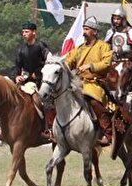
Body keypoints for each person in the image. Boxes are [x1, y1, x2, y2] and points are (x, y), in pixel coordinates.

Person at [63, 16, 113, 145]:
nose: (84, 32)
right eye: (84, 29)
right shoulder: (79, 49)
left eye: (87, 29)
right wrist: (62, 66)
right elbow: (69, 60)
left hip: (95, 83)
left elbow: (107, 63)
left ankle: (107, 133)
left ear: (95, 32)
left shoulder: (103, 46)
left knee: (94, 102)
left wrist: (91, 66)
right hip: (78, 83)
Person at [12, 21, 52, 137]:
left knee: (42, 102)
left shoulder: (41, 46)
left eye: (26, 32)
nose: (24, 34)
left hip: (42, 81)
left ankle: (48, 128)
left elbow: (49, 62)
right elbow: (17, 66)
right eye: (23, 32)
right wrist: (16, 76)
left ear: (34, 33)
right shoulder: (20, 49)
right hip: (26, 82)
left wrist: (38, 74)